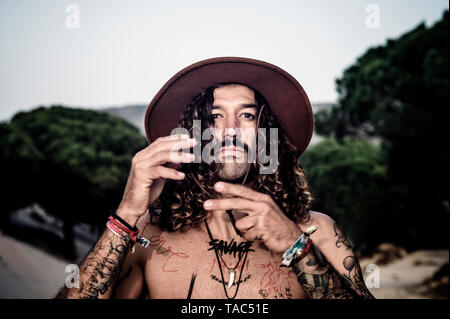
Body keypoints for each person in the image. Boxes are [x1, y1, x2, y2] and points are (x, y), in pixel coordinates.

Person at [56, 57, 374, 299]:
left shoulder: (316, 233)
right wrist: (126, 212)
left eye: (247, 115)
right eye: (214, 116)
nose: (231, 129)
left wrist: (296, 246)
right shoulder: (146, 237)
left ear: (268, 136)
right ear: (191, 136)